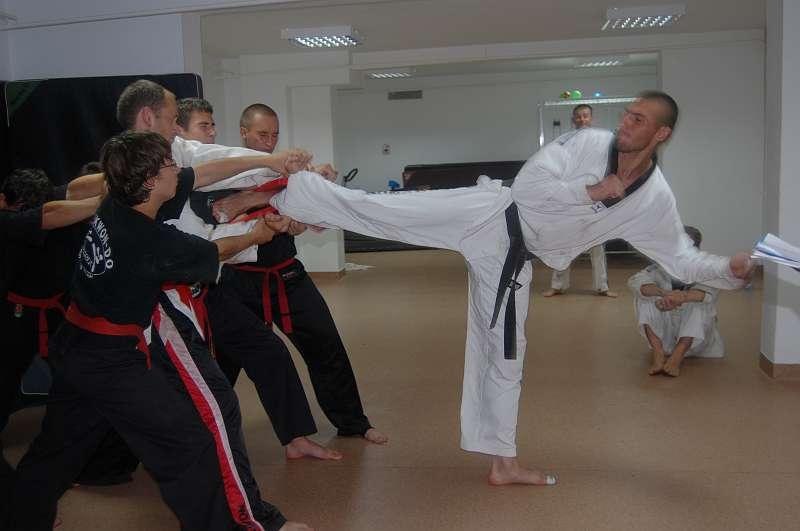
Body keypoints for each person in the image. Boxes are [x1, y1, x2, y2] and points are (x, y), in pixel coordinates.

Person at [218, 90, 753, 486]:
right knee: (382, 209)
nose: (627, 124)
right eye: (628, 114)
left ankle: (503, 462)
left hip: (512, 259)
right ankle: (276, 194)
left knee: (504, 354)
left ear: (662, 134)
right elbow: (530, 185)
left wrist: (729, 270)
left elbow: (680, 256)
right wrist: (592, 190)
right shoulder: (590, 143)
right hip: (490, 211)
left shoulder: (654, 199)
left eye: (640, 120)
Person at [6, 131, 313, 530]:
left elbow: (203, 174)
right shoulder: (149, 240)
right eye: (170, 164)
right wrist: (257, 234)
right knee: (188, 443)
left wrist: (267, 161)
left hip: (75, 347)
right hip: (110, 361)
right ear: (151, 181)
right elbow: (216, 251)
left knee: (56, 451)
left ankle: (19, 520)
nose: (178, 169)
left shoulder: (117, 201)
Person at [194, 103, 387, 446]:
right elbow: (221, 214)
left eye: (274, 135)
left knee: (326, 346)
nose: (269, 142)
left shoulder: (285, 172)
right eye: (261, 134)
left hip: (286, 276)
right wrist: (279, 192)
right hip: (237, 282)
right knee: (223, 361)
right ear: (243, 133)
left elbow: (302, 217)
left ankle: (353, 422)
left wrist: (308, 191)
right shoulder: (223, 173)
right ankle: (200, 430)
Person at [0, 168, 105, 496]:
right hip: (13, 317)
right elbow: (49, 215)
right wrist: (106, 201)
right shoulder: (10, 221)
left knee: (75, 384)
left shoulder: (55, 206)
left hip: (59, 312)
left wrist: (119, 178)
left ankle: (71, 461)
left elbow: (70, 192)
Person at [628, 226, 724, 377]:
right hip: (666, 342)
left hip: (698, 345)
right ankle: (658, 354)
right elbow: (636, 282)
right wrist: (665, 294)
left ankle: (677, 357)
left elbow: (708, 292)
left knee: (699, 303)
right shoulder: (658, 269)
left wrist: (681, 298)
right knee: (645, 297)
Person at [543, 104, 617, 298]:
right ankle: (558, 285)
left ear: (591, 118)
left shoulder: (602, 142)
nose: (582, 119)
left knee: (597, 246)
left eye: (585, 116)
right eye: (578, 116)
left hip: (593, 199)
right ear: (573, 120)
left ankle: (602, 287)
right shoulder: (565, 142)